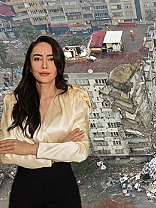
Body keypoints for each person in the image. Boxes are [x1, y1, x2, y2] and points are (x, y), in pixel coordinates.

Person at [0, 36, 91, 208]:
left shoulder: (75, 98)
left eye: (50, 59)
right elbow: (7, 155)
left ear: (58, 63)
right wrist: (60, 148)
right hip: (25, 188)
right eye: (37, 59)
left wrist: (31, 148)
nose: (44, 66)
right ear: (29, 64)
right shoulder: (12, 102)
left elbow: (80, 151)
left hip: (63, 187)